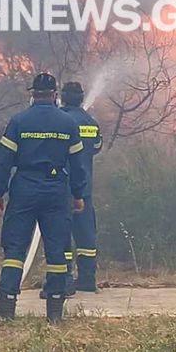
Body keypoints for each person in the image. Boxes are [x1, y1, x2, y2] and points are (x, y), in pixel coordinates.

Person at [0, 72, 88, 322]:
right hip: (56, 191)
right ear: (55, 95)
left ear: (33, 95)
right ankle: (54, 313)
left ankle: (6, 310)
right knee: (57, 250)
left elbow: (3, 161)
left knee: (14, 249)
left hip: (24, 188)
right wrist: (78, 194)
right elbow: (78, 165)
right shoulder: (68, 124)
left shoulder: (19, 121)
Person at [60, 81, 104, 293]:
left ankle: (64, 278)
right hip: (85, 188)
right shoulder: (91, 123)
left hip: (61, 188)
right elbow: (96, 147)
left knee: (60, 233)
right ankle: (87, 279)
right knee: (86, 235)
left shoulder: (59, 120)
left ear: (62, 97)